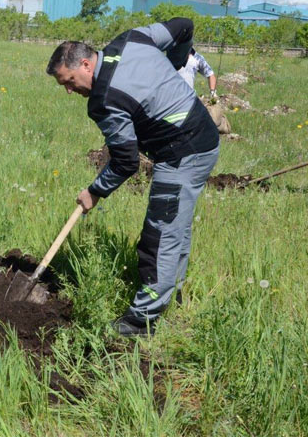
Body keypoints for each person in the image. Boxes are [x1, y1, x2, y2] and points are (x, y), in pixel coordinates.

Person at [46, 18, 219, 336]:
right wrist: (175, 63)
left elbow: (126, 162)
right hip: (205, 138)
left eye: (68, 82)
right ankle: (173, 295)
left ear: (85, 64)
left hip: (181, 152)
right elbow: (183, 26)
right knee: (177, 226)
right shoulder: (130, 39)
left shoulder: (104, 101)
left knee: (159, 236)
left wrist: (94, 191)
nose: (70, 91)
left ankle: (142, 321)